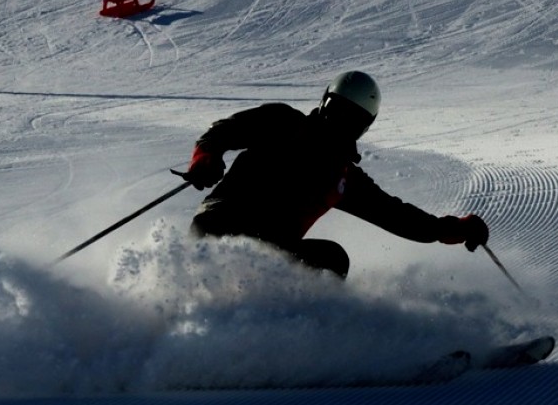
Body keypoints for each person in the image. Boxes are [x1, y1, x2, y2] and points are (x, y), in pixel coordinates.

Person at [175, 71, 489, 279]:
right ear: (324, 104)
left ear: (362, 128)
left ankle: (279, 340)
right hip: (219, 228)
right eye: (335, 111)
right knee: (331, 258)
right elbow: (224, 132)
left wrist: (450, 229)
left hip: (267, 255)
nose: (339, 125)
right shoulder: (284, 123)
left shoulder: (343, 179)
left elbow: (396, 215)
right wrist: (206, 157)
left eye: (351, 121)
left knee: (330, 259)